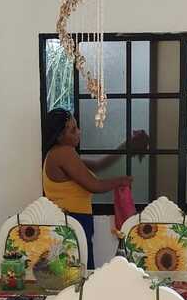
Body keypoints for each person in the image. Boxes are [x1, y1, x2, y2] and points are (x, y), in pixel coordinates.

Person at [41, 108, 147, 268]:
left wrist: (127, 144)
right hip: (71, 221)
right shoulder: (63, 153)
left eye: (77, 127)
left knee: (76, 271)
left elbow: (99, 165)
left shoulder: (59, 153)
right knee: (80, 272)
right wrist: (121, 181)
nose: (79, 132)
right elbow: (94, 185)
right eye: (73, 130)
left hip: (71, 220)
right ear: (59, 136)